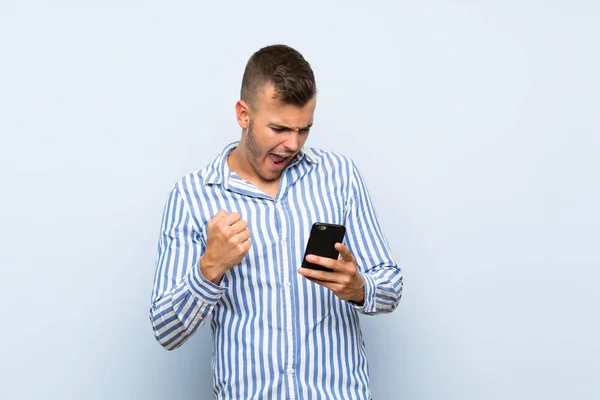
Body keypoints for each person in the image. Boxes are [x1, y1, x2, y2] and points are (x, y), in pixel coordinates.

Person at [149, 44, 403, 399]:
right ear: (243, 114)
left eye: (304, 129)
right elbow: (166, 330)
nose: (292, 144)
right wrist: (210, 267)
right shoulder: (192, 196)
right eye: (280, 128)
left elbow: (390, 284)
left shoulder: (339, 176)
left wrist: (359, 288)